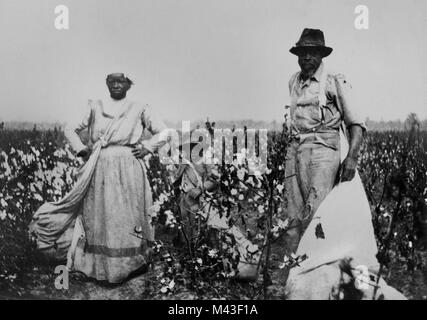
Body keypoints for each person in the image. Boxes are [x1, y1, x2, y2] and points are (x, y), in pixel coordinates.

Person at [281, 28, 406, 299]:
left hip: (324, 153)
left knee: (318, 215)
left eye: (312, 53)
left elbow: (356, 124)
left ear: (321, 55)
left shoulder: (334, 81)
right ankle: (298, 276)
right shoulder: (293, 81)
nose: (306, 58)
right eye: (302, 53)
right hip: (296, 151)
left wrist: (352, 158)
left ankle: (323, 278)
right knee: (293, 214)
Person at [30, 73, 168, 283]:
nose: (116, 85)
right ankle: (98, 266)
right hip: (100, 164)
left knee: (126, 214)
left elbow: (164, 132)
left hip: (128, 165)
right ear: (106, 84)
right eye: (112, 81)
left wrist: (147, 148)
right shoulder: (95, 106)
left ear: (128, 85)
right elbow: (70, 129)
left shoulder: (140, 107)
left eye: (121, 81)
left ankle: (130, 264)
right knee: (99, 212)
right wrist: (81, 150)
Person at [172, 141, 260, 281]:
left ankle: (238, 258)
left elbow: (215, 180)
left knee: (218, 227)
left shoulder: (206, 163)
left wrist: (200, 189)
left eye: (192, 150)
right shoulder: (182, 166)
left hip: (205, 202)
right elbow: (176, 183)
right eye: (186, 151)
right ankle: (197, 258)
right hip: (187, 203)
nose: (189, 154)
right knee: (190, 231)